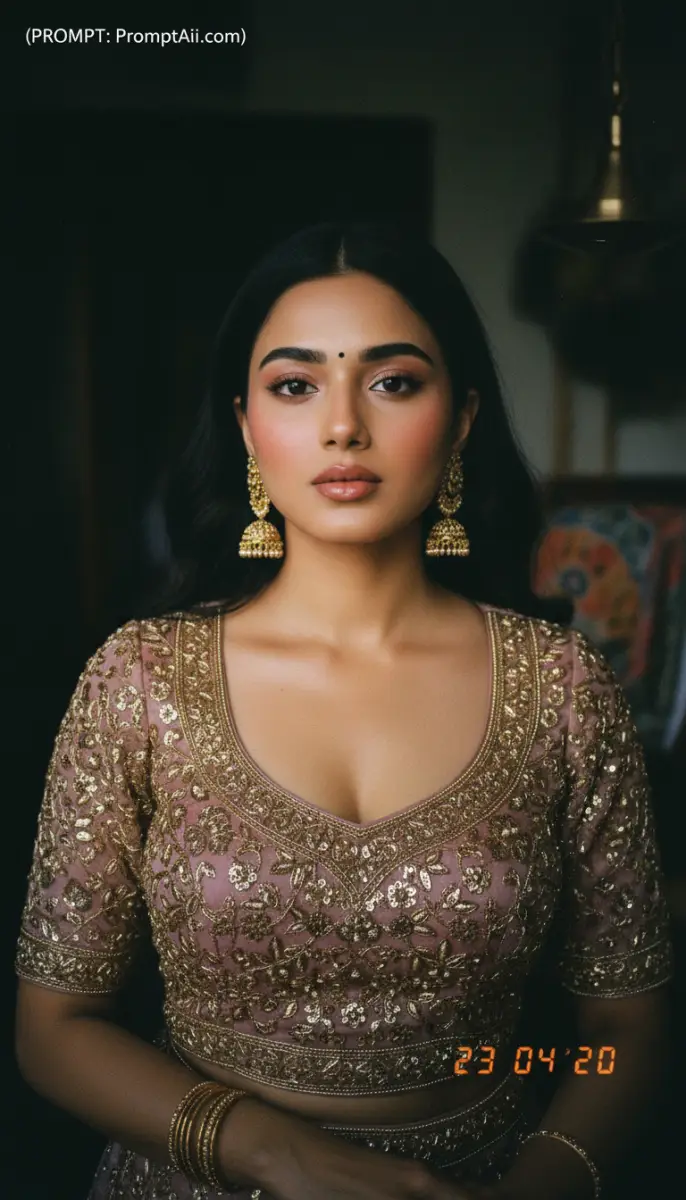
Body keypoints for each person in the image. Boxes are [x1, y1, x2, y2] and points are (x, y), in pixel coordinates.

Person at [14, 221, 674, 1200]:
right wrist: (274, 1152)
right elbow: (53, 1030)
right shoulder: (138, 680)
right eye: (295, 385)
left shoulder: (561, 688)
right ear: (246, 426)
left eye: (392, 381)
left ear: (460, 420)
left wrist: (540, 1181)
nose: (342, 427)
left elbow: (623, 1032)